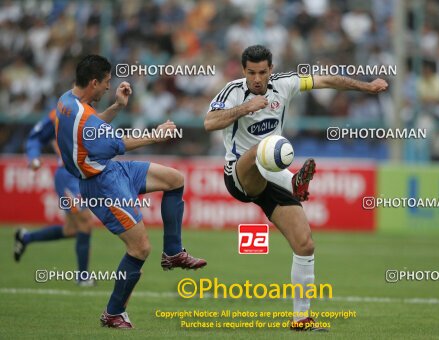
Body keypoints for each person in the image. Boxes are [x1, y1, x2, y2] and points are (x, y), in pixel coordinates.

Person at [204, 45, 388, 332]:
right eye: (251, 72)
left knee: (305, 244)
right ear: (243, 71)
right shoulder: (232, 92)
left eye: (262, 72)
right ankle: (293, 182)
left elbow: (326, 80)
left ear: (271, 70)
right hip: (241, 175)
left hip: (271, 176)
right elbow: (209, 122)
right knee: (264, 148)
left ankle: (301, 319)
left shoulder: (285, 84)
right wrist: (245, 108)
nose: (257, 78)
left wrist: (367, 87)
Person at [55, 55, 206, 329]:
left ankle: (173, 252)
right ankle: (113, 313)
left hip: (110, 170)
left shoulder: (68, 101)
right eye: (106, 84)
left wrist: (116, 107)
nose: (107, 87)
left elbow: (91, 126)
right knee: (140, 248)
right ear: (93, 82)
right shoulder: (83, 118)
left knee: (175, 179)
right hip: (101, 185)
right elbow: (118, 141)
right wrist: (156, 135)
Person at [14, 108, 95, 286]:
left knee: (72, 230)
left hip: (80, 175)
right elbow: (36, 135)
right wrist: (34, 157)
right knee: (85, 221)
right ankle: (82, 278)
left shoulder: (92, 111)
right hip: (67, 176)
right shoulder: (62, 110)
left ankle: (25, 238)